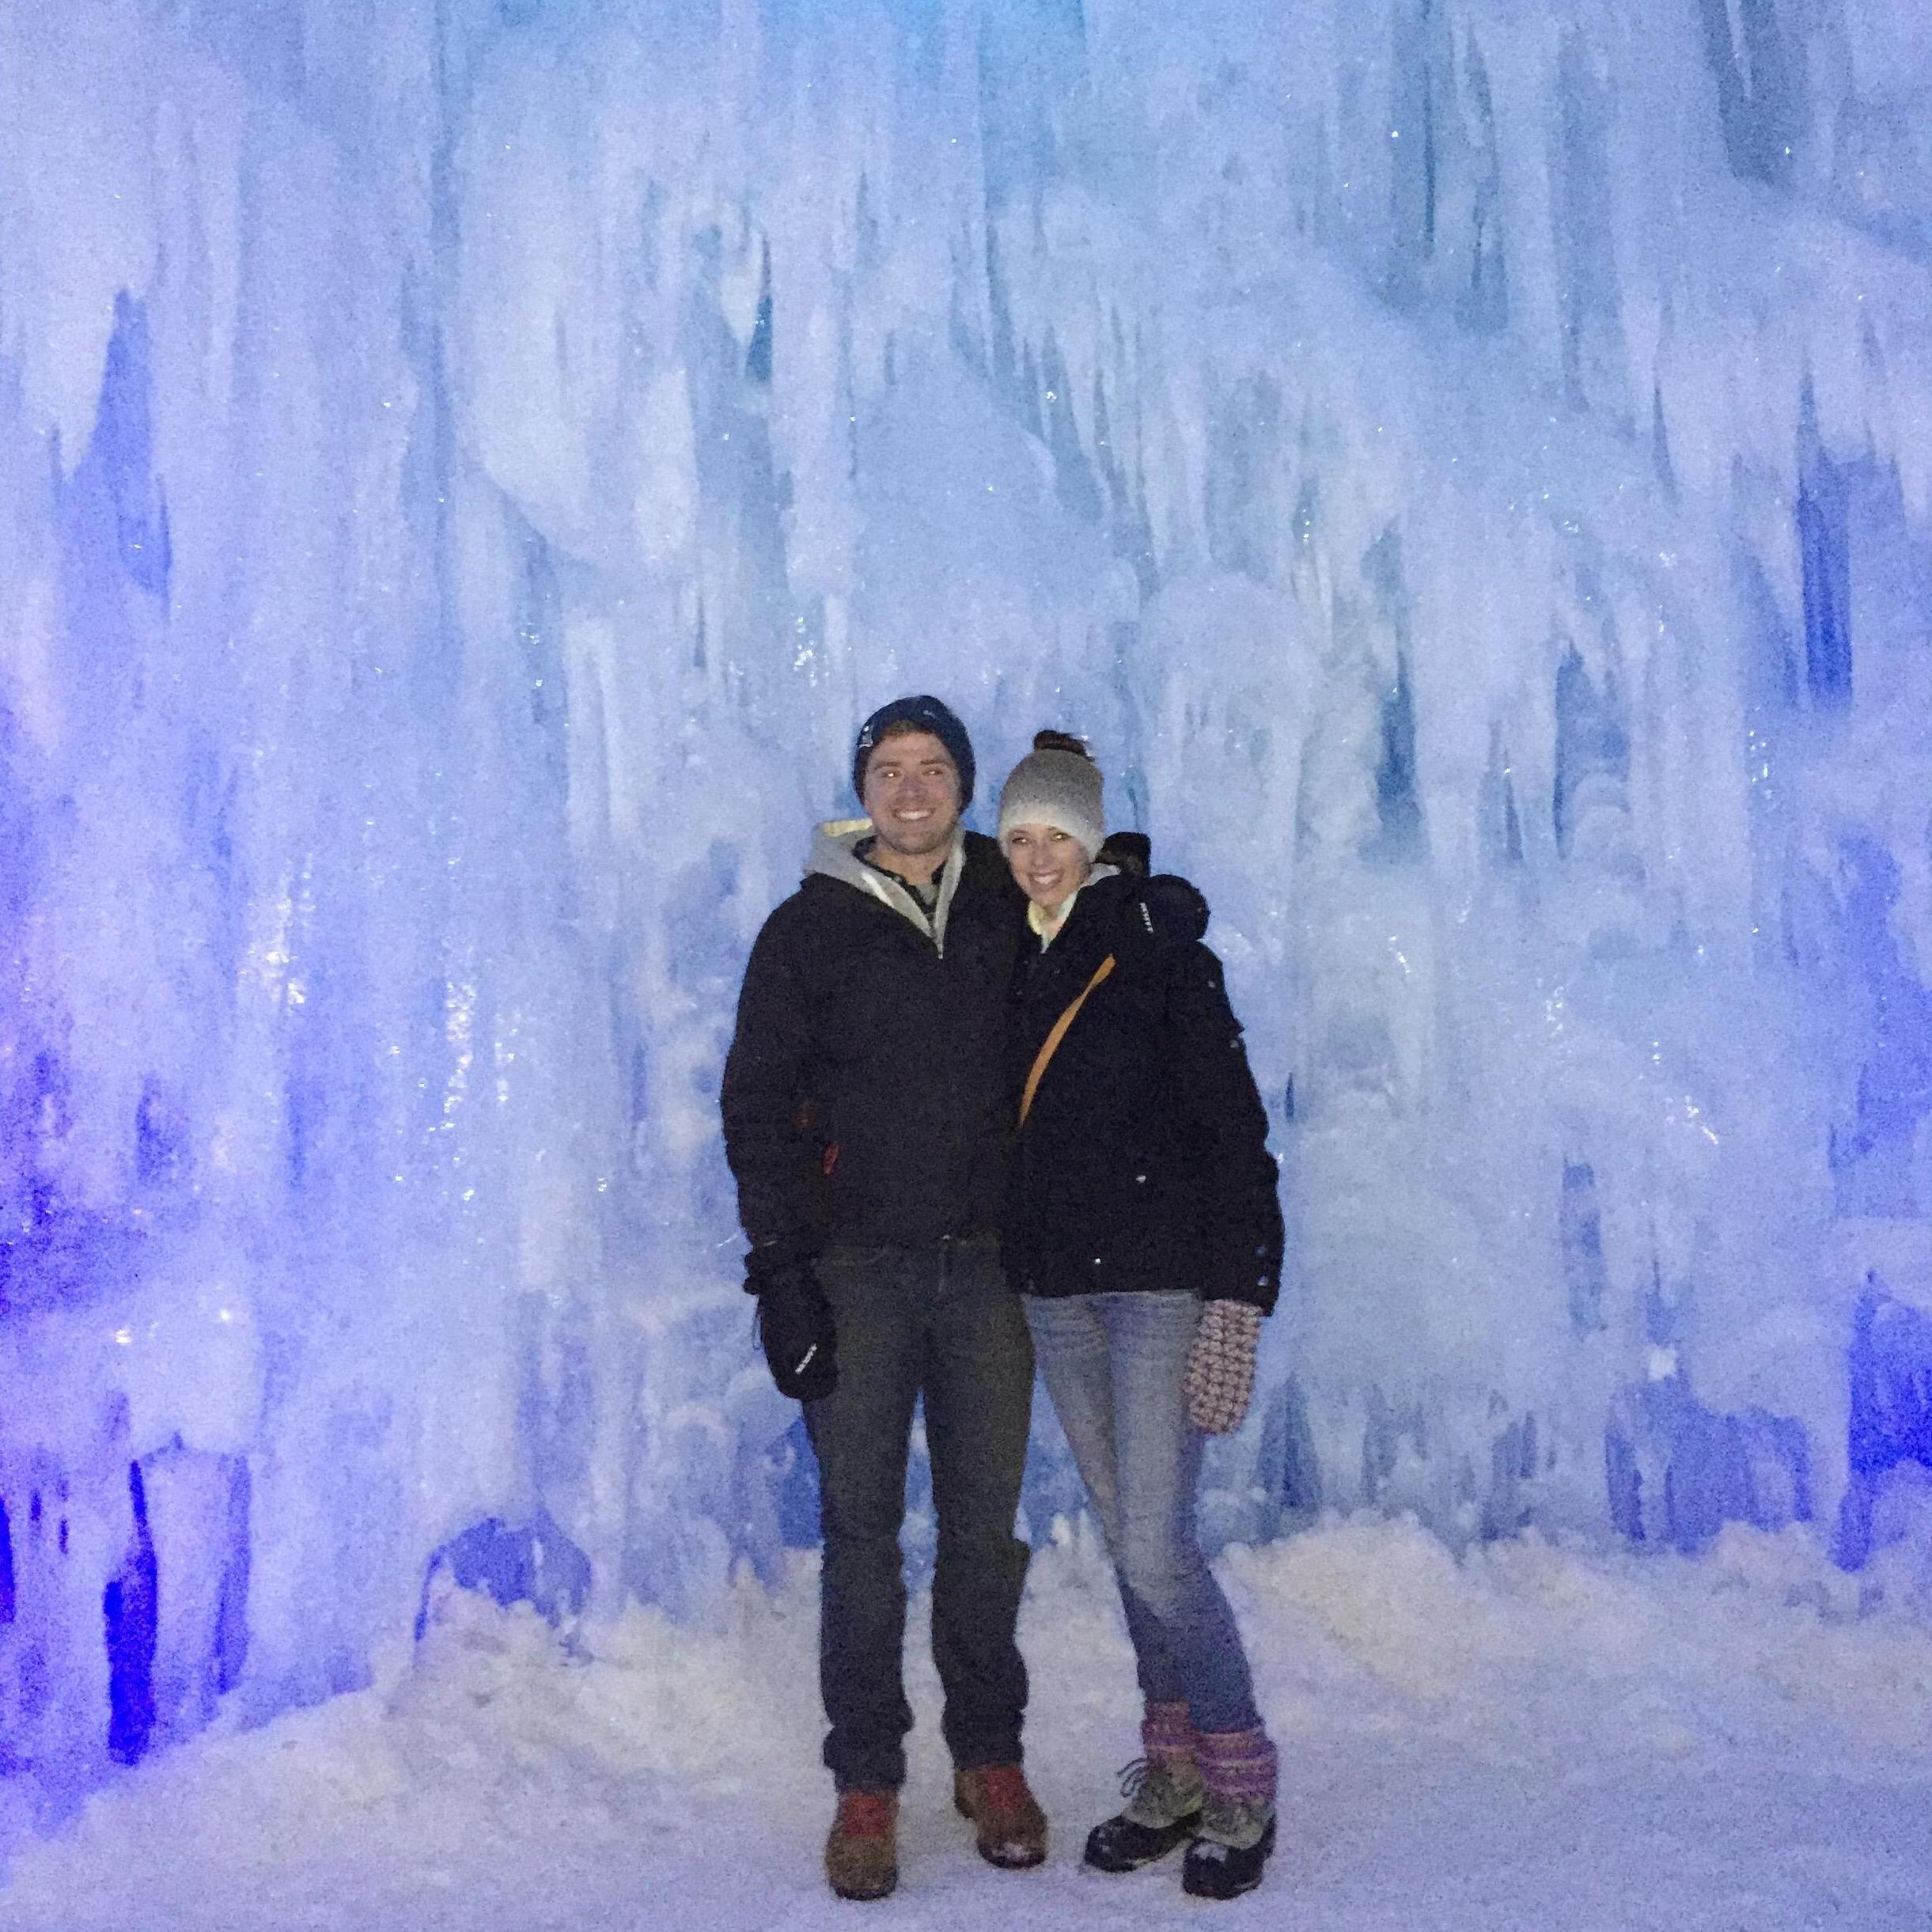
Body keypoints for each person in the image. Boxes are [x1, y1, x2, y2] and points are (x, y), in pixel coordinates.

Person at [721, 696, 1047, 1902]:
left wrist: (1127, 882)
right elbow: (756, 1110)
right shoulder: (804, 933)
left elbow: (1095, 981)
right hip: (855, 1272)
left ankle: (990, 1756)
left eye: (933, 767)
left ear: (965, 785)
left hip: (988, 1272)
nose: (911, 790)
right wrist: (781, 1273)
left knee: (981, 1532)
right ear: (863, 788)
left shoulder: (1013, 912)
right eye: (888, 769)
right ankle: (866, 1781)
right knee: (861, 1538)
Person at [997, 730, 1285, 1902]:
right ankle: (1170, 1772)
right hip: (1056, 1290)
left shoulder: (1158, 948)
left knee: (1158, 1544)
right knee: (1128, 1538)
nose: (1036, 857)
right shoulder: (1005, 957)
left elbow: (1233, 1129)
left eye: (1054, 834)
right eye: (1016, 837)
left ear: (1090, 837)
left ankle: (1240, 1772)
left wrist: (1240, 1291)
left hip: (1159, 1284)